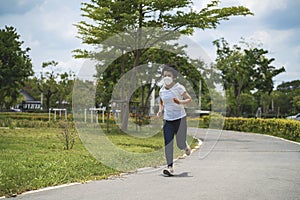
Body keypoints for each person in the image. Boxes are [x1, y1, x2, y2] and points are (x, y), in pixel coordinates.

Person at [157, 64, 192, 176]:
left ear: (173, 77)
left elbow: (189, 99)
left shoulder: (179, 87)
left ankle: (185, 145)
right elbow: (162, 101)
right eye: (165, 75)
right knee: (168, 143)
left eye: (169, 75)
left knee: (180, 144)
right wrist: (160, 110)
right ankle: (170, 167)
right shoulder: (161, 90)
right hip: (168, 120)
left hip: (180, 118)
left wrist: (180, 102)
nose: (166, 77)